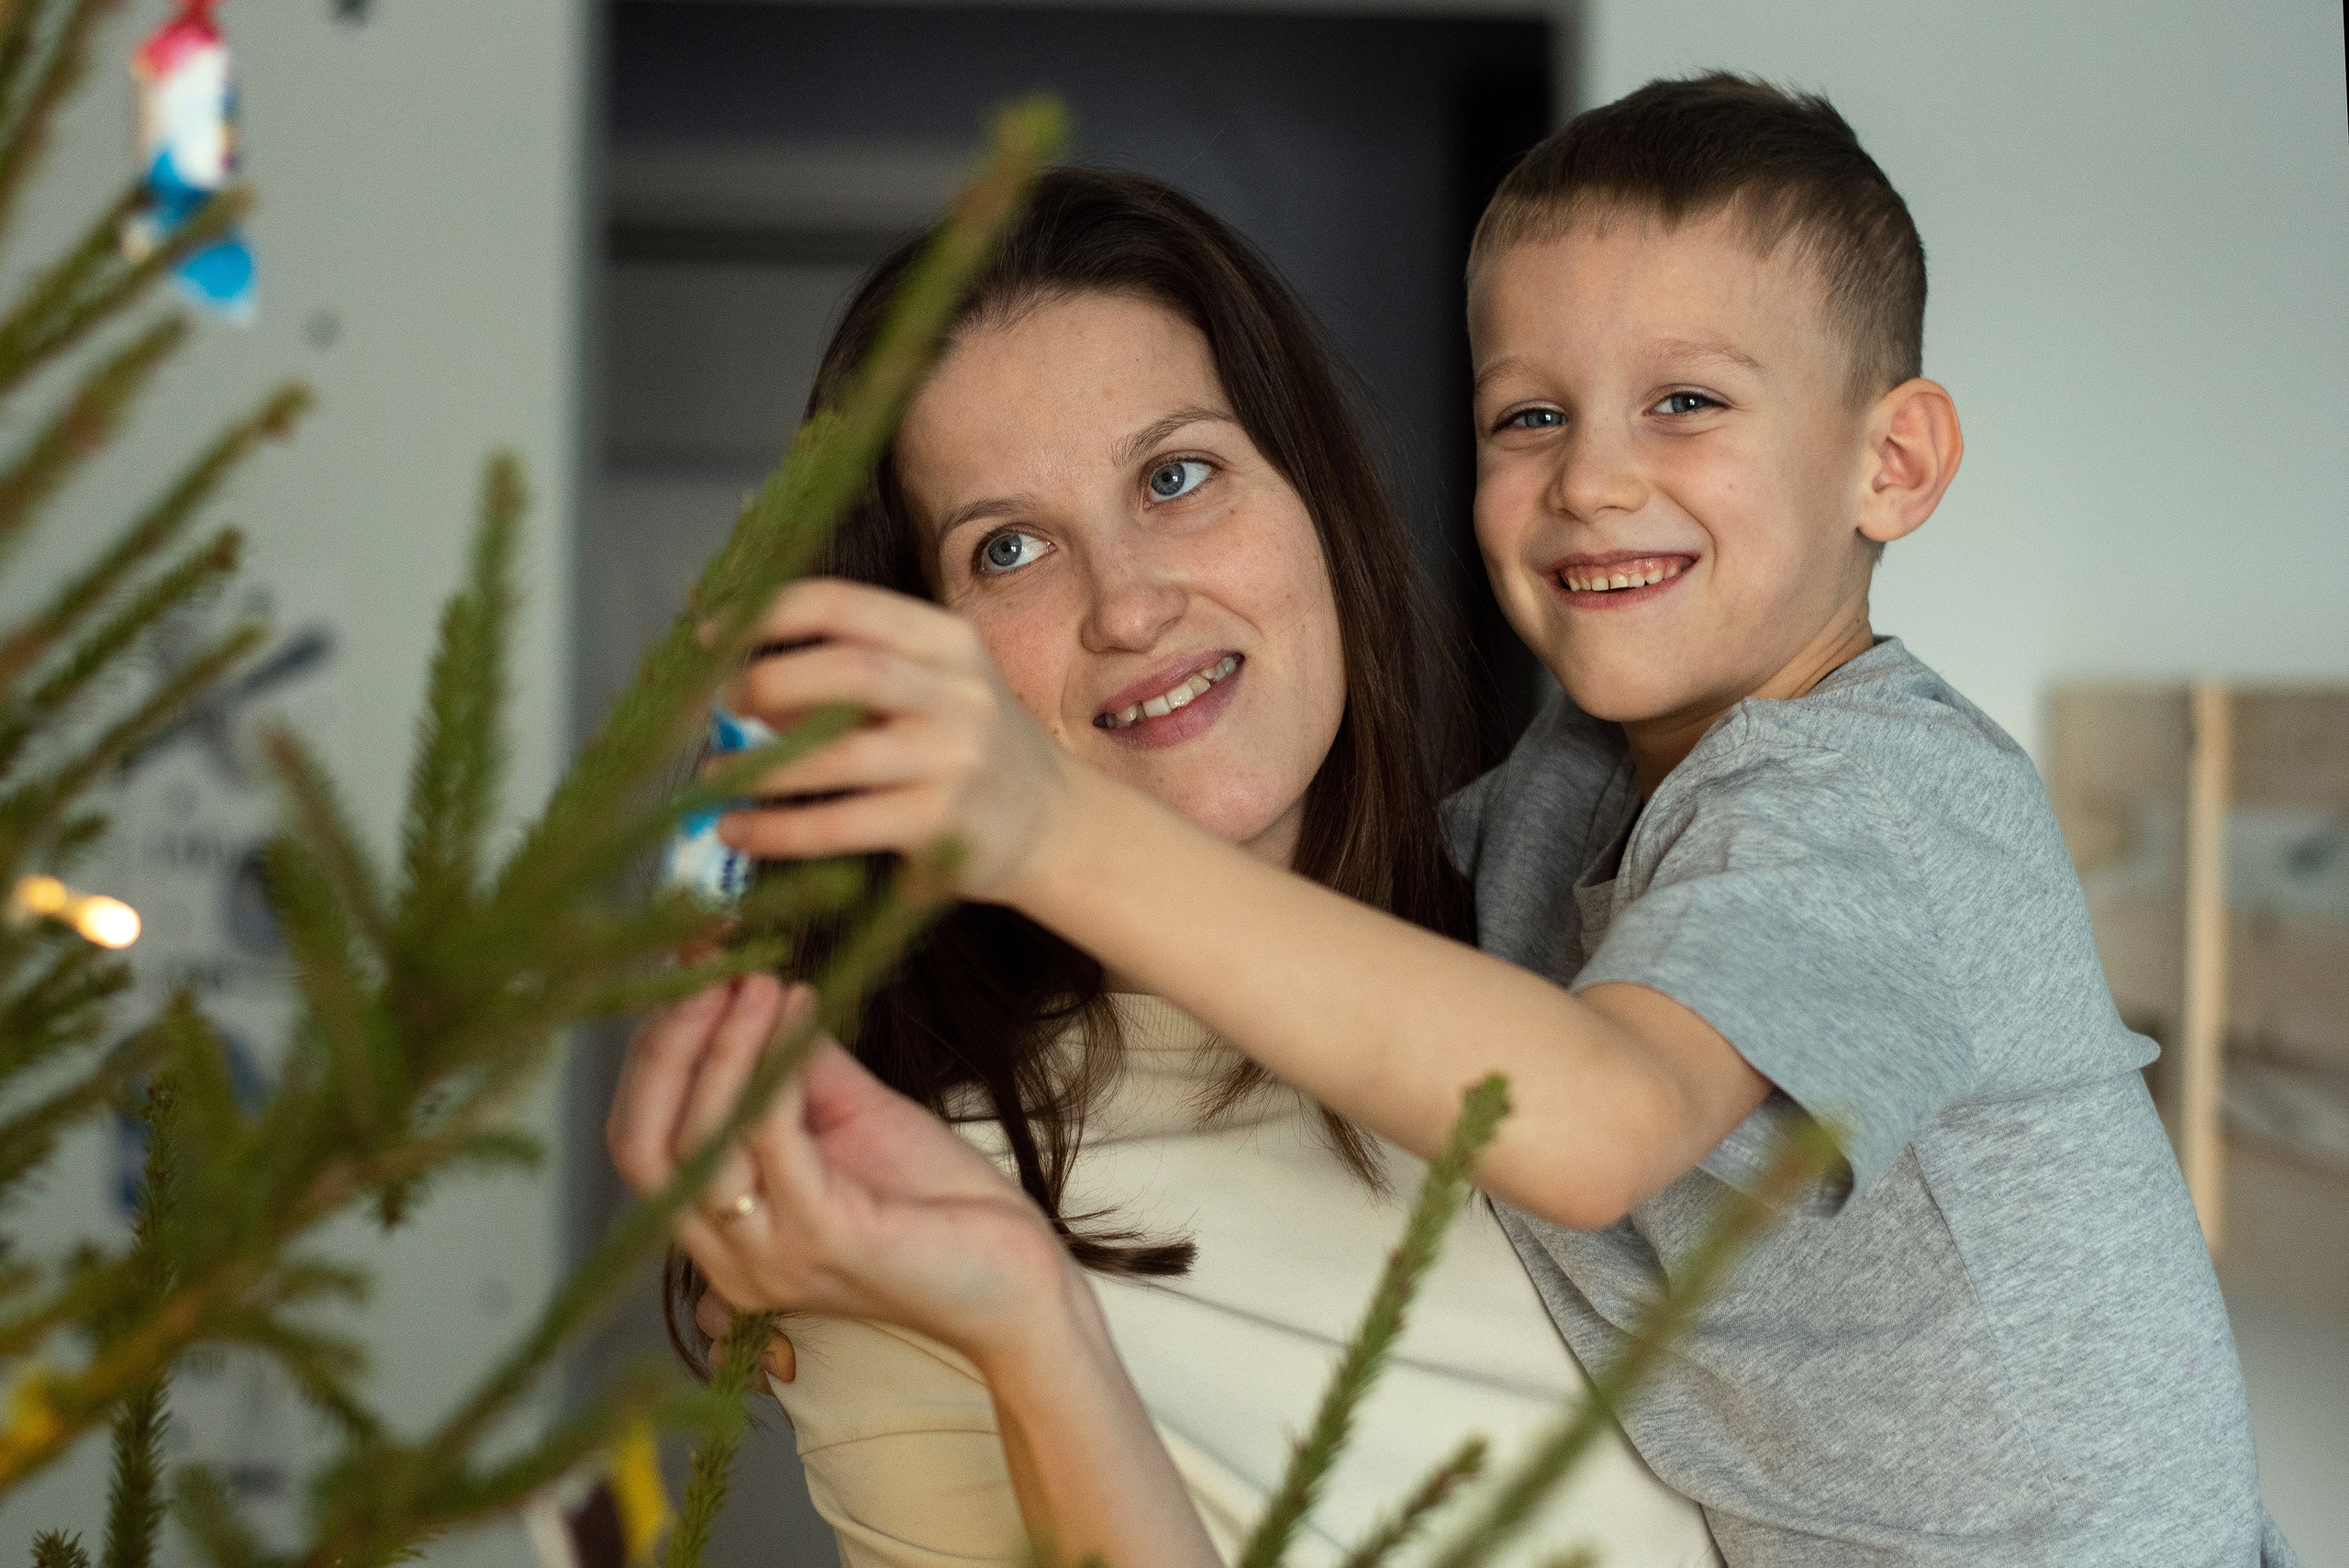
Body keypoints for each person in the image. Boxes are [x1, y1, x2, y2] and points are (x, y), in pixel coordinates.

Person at [705, 76, 2298, 1567]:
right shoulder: (1572, 788)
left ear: (1893, 462)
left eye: (1685, 400)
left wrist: (1044, 822)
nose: (1596, 480)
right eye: (1532, 417)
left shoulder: (1874, 796)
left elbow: (1592, 1123)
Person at [606, 169, 1723, 1568]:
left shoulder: (1604, 935)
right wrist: (1026, 1312)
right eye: (1006, 548)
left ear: (1315, 499)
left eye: (1177, 475)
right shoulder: (908, 1227)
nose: (1128, 604)